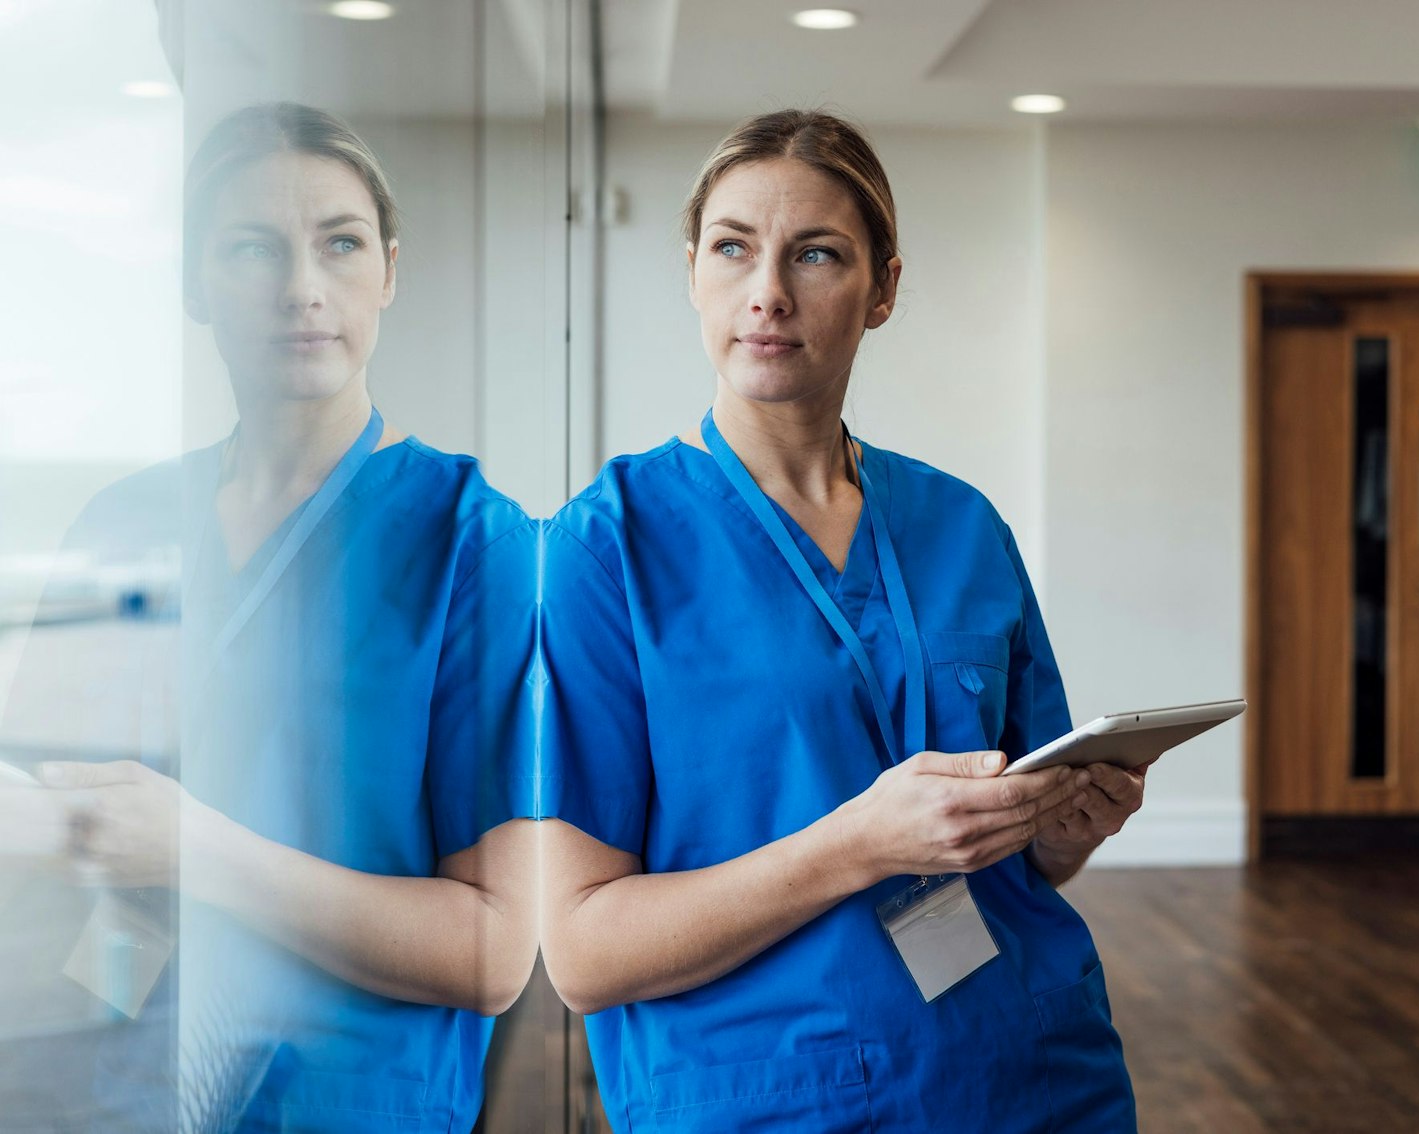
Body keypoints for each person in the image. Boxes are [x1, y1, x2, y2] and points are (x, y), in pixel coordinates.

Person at [539, 109, 1143, 1132]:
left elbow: (1020, 843)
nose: (767, 291)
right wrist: (859, 844)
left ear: (883, 290)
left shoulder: (960, 525)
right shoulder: (605, 549)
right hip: (772, 1094)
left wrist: (1068, 833)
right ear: (693, 271)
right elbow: (582, 954)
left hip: (1029, 1074)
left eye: (815, 253)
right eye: (733, 248)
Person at [0, 103, 541, 1132]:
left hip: (343, 1104)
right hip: (104, 1085)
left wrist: (190, 849)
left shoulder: (473, 542)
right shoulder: (122, 522)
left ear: (388, 270)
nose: (302, 289)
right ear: (194, 285)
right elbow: (33, 811)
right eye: (253, 248)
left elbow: (494, 951)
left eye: (338, 244)